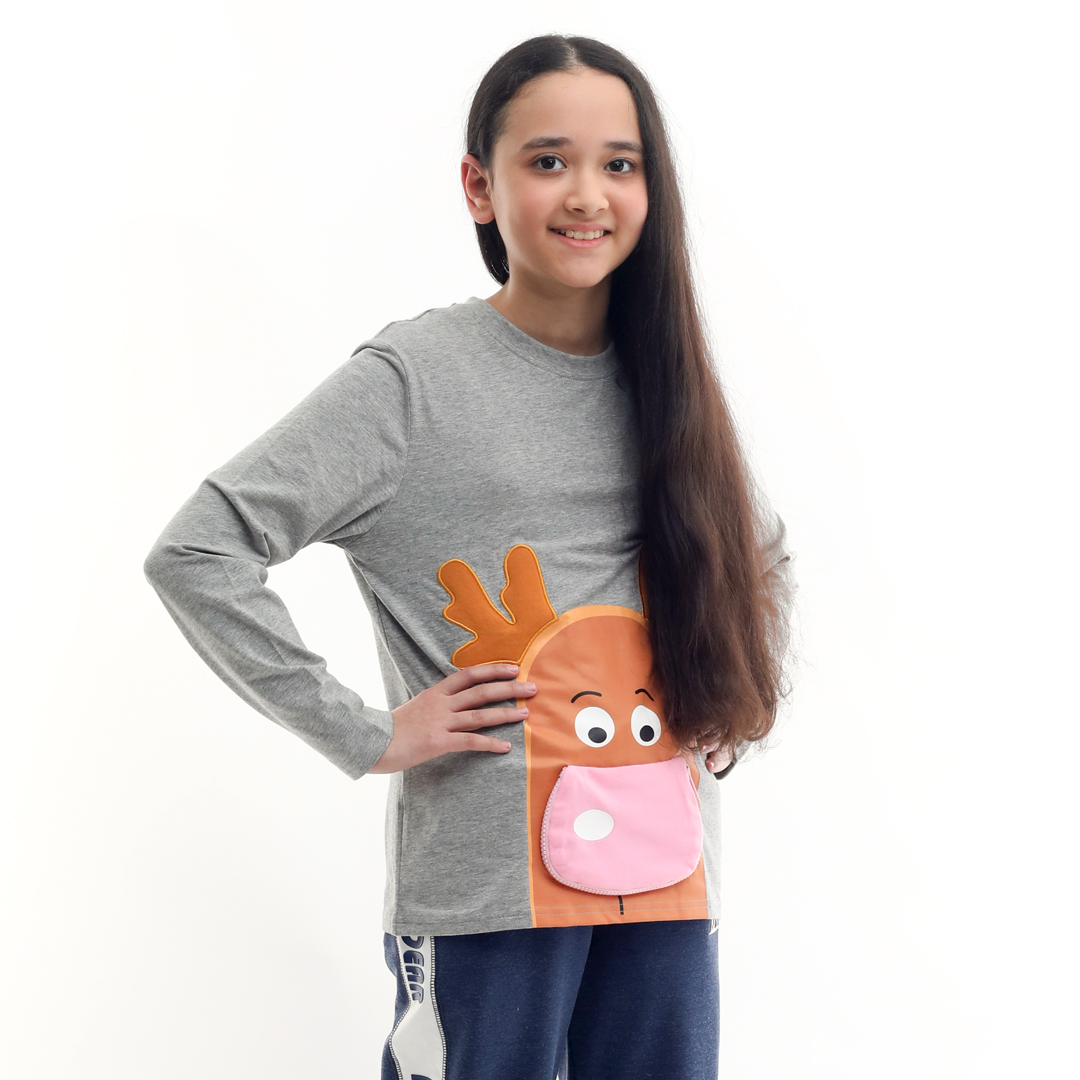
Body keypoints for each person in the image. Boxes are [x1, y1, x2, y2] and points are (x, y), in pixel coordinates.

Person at [144, 33, 795, 1080]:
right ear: (480, 186)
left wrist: (734, 692)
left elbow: (755, 550)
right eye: (549, 160)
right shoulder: (415, 380)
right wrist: (365, 732)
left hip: (665, 872)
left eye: (620, 163)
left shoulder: (666, 378)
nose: (587, 193)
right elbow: (199, 550)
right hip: (490, 893)